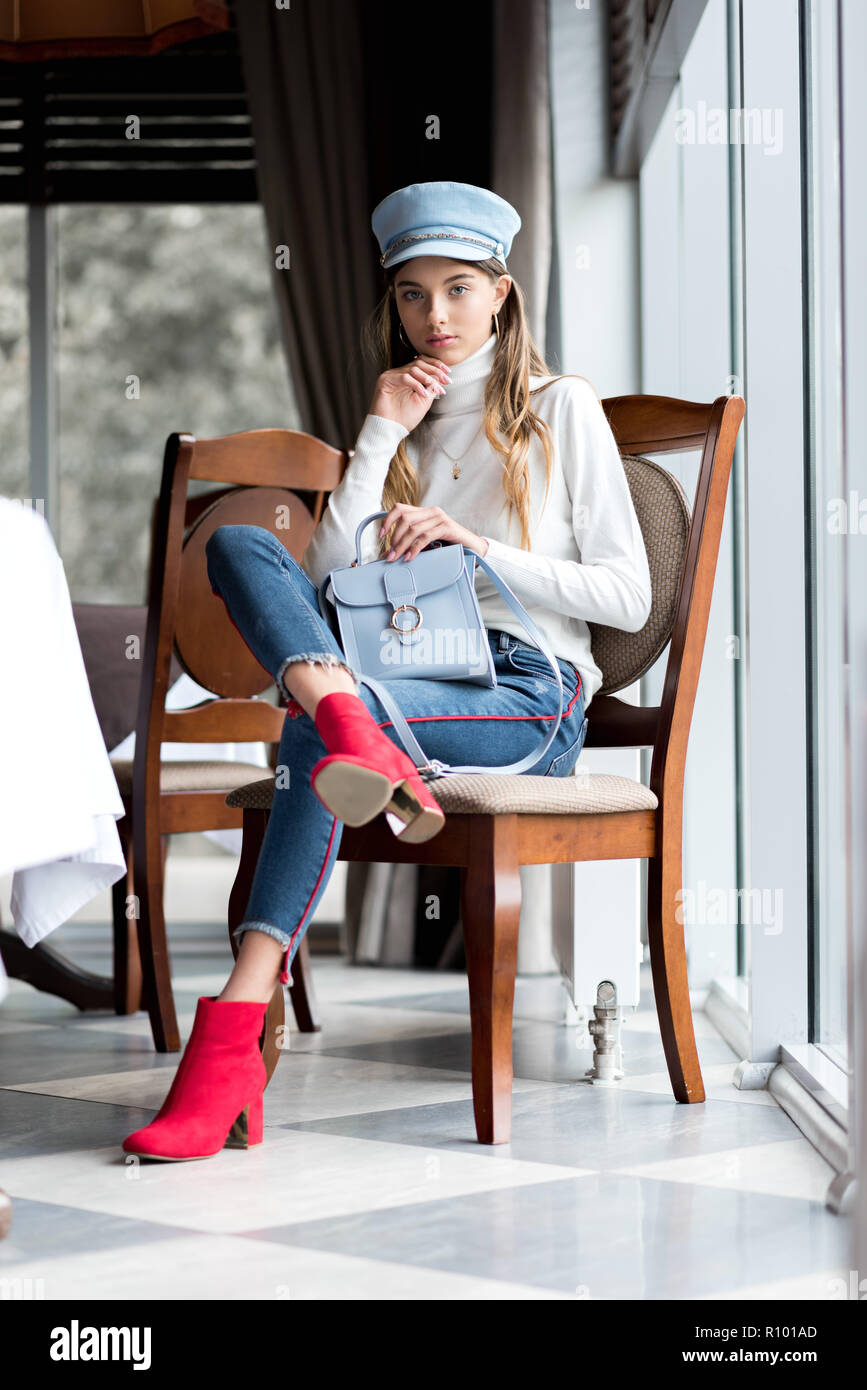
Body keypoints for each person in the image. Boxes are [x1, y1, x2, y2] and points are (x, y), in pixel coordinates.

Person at [122, 180, 652, 1162]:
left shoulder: (559, 407)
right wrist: (379, 432)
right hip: (394, 673)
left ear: (501, 294)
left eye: (457, 290)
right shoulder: (400, 420)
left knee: (312, 723)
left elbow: (627, 595)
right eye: (412, 295)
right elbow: (323, 582)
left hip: (527, 694)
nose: (434, 316)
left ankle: (231, 1035)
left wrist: (473, 548)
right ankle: (343, 718)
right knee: (239, 541)